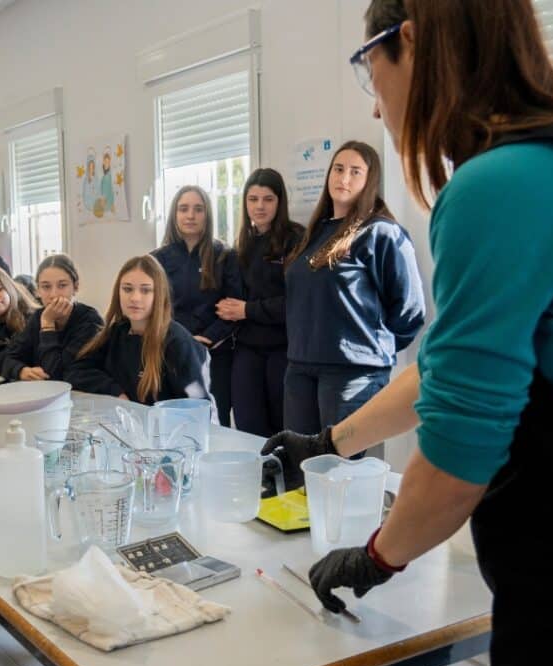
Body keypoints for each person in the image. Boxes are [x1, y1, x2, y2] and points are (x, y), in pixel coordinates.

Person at [261, 2, 553, 666]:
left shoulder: (498, 185)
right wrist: (329, 441)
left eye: (371, 70)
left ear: (411, 41)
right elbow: (443, 370)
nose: (376, 110)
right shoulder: (547, 159)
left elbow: (458, 457)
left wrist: (377, 557)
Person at [281, 140, 424, 448]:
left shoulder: (381, 232)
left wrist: (367, 348)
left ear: (369, 180)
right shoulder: (314, 233)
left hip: (351, 374)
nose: (344, 178)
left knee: (341, 475)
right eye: (338, 169)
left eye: (355, 172)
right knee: (298, 469)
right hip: (300, 368)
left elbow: (410, 313)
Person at [217, 169, 304, 437]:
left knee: (283, 428)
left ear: (280, 202)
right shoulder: (241, 244)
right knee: (247, 427)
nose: (260, 206)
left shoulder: (297, 239)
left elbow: (297, 303)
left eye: (267, 199)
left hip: (284, 350)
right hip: (246, 349)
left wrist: (247, 310)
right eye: (253, 199)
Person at [150, 185, 242, 425]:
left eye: (198, 209)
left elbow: (233, 308)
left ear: (207, 215)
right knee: (170, 422)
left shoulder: (225, 255)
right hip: (169, 352)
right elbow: (153, 309)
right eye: (184, 209)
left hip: (213, 354)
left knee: (214, 421)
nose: (190, 215)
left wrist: (208, 338)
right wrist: (180, 340)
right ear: (174, 214)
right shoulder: (156, 259)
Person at [67, 255, 209, 405]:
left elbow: (197, 405)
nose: (135, 298)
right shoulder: (116, 332)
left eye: (146, 290)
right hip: (124, 422)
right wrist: (116, 392)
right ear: (118, 292)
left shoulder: (177, 342)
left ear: (158, 295)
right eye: (127, 289)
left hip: (163, 426)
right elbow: (76, 371)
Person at [2, 254, 103, 382]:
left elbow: (56, 375)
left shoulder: (90, 321)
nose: (54, 294)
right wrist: (21, 370)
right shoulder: (37, 317)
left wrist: (48, 325)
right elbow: (8, 358)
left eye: (62, 285)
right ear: (38, 290)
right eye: (46, 287)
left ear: (75, 287)